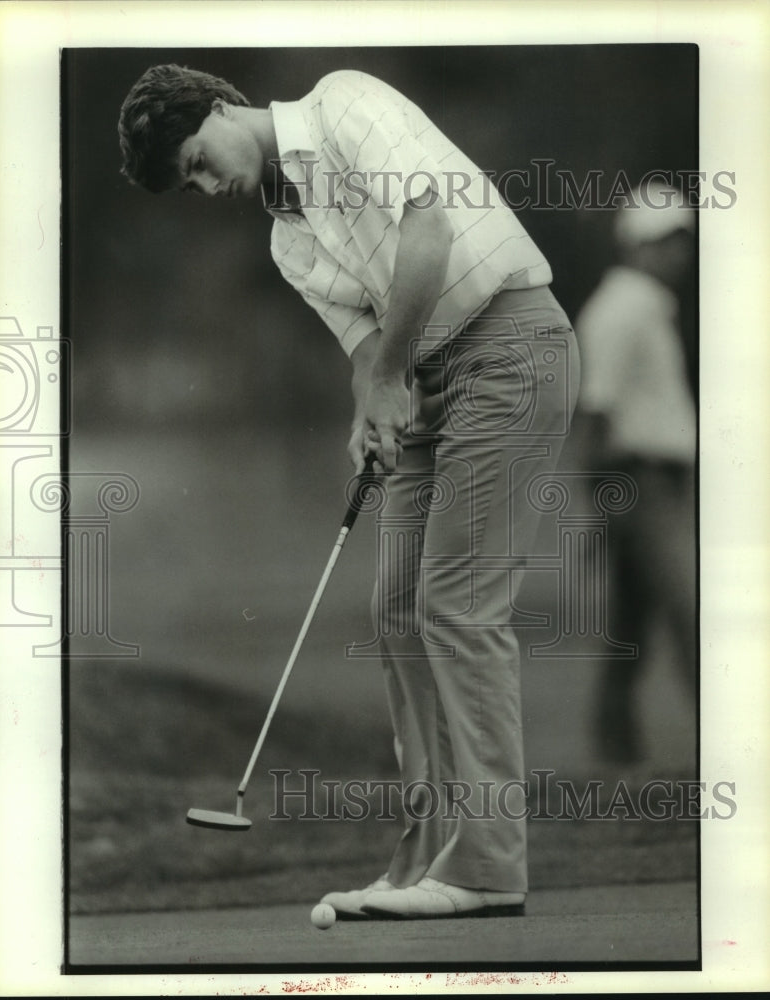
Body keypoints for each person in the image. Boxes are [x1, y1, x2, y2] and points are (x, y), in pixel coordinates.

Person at [118, 64, 580, 919]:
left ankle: (487, 864)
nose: (207, 184)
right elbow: (368, 350)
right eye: (190, 184)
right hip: (428, 378)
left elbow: (430, 230)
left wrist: (394, 373)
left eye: (196, 159)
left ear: (220, 110)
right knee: (396, 608)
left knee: (457, 605)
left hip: (513, 351)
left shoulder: (343, 104)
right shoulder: (286, 240)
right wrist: (370, 407)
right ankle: (426, 860)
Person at [575, 182, 696, 765]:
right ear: (637, 247)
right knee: (692, 610)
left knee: (631, 629)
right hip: (640, 485)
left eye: (683, 239)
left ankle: (615, 755)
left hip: (654, 483)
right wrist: (599, 505)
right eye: (668, 240)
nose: (681, 252)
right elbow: (596, 411)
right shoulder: (621, 310)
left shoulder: (644, 307)